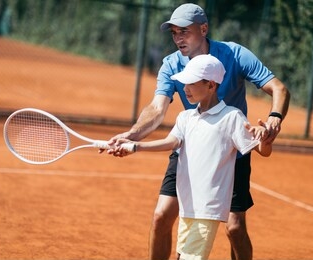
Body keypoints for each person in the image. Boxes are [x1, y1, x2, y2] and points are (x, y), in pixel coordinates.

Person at [105, 3, 290, 260]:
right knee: (161, 216)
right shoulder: (171, 64)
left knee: (234, 229)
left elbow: (279, 89)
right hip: (191, 147)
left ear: (203, 29)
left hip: (232, 151)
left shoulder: (234, 54)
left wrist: (273, 119)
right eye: (174, 33)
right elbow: (158, 108)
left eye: (184, 31)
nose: (178, 38)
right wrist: (132, 136)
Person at [110, 54, 272, 260]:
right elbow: (171, 142)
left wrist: (265, 142)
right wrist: (134, 146)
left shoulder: (232, 117)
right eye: (183, 83)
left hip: (208, 207)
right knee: (183, 256)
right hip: (188, 204)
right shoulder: (186, 117)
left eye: (191, 83)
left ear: (211, 85)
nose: (184, 88)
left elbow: (261, 150)